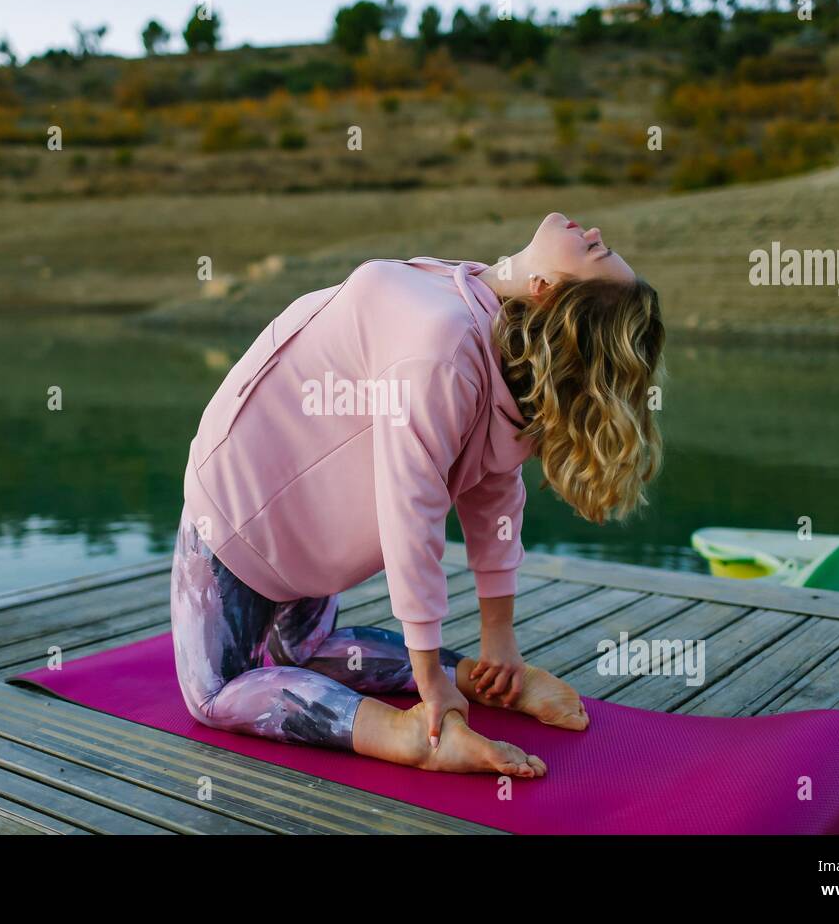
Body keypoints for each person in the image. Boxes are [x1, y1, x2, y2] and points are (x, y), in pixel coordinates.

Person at [171, 212, 665, 777]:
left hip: (233, 517)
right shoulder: (483, 323)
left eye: (598, 254)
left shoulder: (442, 340)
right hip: (299, 526)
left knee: (214, 692)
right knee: (305, 651)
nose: (597, 234)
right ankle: (482, 685)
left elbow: (417, 507)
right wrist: (491, 645)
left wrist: (432, 684)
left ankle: (412, 737)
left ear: (545, 292)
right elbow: (487, 479)